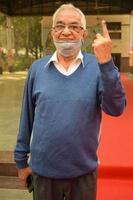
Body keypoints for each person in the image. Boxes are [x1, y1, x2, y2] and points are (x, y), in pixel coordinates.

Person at [14, 3, 126, 200]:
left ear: (84, 34)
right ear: (52, 33)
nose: (66, 32)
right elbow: (27, 117)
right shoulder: (37, 69)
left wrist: (107, 63)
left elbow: (116, 109)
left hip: (84, 172)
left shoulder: (98, 67)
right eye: (59, 26)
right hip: (43, 172)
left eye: (74, 26)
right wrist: (21, 161)